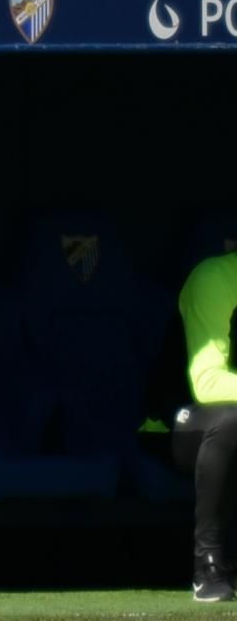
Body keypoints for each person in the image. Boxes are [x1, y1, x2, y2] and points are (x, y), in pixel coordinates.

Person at [173, 246, 237, 602]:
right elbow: (206, 383)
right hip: (181, 423)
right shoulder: (215, 277)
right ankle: (209, 565)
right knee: (232, 420)